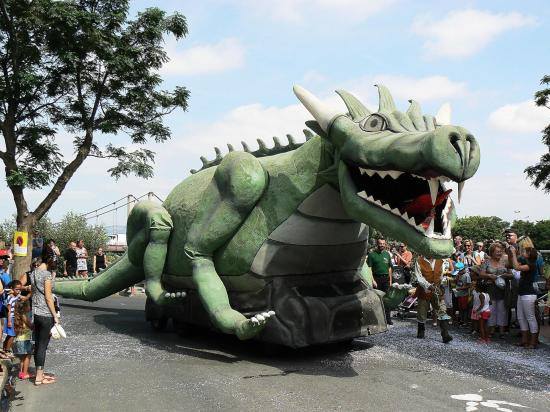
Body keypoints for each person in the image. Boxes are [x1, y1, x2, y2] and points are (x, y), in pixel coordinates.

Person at [30, 257, 60, 385]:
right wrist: (55, 316)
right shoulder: (47, 275)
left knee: (38, 344)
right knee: (43, 345)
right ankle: (39, 377)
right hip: (46, 314)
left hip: (35, 313)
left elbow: (34, 292)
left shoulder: (33, 272)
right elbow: (48, 298)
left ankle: (39, 373)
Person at [412, 255, 453, 343]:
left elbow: (441, 275)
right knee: (422, 312)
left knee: (442, 310)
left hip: (437, 290)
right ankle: (421, 332)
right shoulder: (419, 261)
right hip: (424, 290)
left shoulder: (440, 260)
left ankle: (445, 334)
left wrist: (441, 285)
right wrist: (428, 286)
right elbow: (419, 277)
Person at [479, 242, 513, 339]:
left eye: (501, 251)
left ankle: (502, 331)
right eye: (497, 251)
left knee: (502, 310)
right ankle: (492, 329)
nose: (499, 253)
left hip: (503, 289)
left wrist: (506, 275)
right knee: (492, 310)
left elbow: (512, 275)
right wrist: (489, 275)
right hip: (491, 289)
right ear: (492, 252)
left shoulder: (505, 262)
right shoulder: (487, 262)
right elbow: (481, 274)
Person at [508, 246, 540, 349]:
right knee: (521, 317)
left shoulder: (532, 265)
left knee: (530, 317)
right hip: (522, 293)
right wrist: (510, 254)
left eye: (525, 252)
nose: (522, 253)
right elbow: (511, 265)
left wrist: (513, 253)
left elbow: (516, 267)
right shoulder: (526, 263)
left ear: (530, 254)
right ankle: (524, 341)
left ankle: (533, 342)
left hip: (529, 294)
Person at [367, 238, 393, 325]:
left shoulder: (387, 254)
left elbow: (389, 268)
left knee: (387, 299)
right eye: (380, 243)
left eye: (383, 243)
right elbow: (369, 268)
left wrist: (390, 280)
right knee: (376, 299)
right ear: (377, 244)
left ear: (385, 244)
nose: (381, 245)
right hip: (376, 279)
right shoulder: (372, 255)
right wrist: (372, 280)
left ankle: (388, 319)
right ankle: (377, 320)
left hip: (386, 279)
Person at [13, 299, 34, 380]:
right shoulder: (24, 316)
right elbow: (31, 326)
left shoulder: (17, 316)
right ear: (25, 308)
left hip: (18, 340)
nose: (30, 307)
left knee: (22, 358)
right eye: (29, 305)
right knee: (27, 356)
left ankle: (21, 373)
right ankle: (25, 374)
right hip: (24, 340)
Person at [3, 280, 24, 352]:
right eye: (16, 289)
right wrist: (9, 321)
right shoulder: (10, 298)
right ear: (12, 289)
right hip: (10, 318)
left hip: (14, 318)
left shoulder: (17, 295)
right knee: (12, 335)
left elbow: (23, 297)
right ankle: (7, 350)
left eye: (19, 289)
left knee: (10, 335)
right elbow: (8, 310)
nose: (18, 291)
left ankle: (4, 348)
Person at [452, 262, 471, 326]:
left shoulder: (467, 275)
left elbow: (468, 286)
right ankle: (461, 320)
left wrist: (460, 288)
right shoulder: (459, 275)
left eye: (459, 272)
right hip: (458, 294)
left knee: (464, 309)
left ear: (462, 270)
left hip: (464, 295)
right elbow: (456, 282)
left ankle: (465, 321)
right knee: (460, 308)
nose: (458, 273)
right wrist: (456, 279)